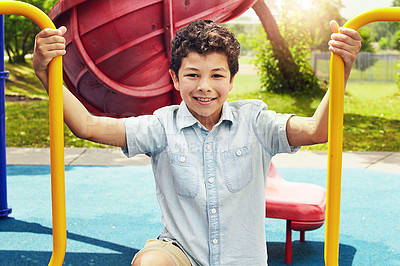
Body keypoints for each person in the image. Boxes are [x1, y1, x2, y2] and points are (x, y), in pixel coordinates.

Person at [33, 19, 361, 266]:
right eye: (192, 75)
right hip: (181, 252)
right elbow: (87, 125)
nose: (204, 86)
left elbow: (319, 130)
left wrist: (341, 70)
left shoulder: (255, 122)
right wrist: (45, 72)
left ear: (232, 81)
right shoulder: (162, 126)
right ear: (175, 78)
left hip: (240, 259)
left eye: (216, 75)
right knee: (151, 261)